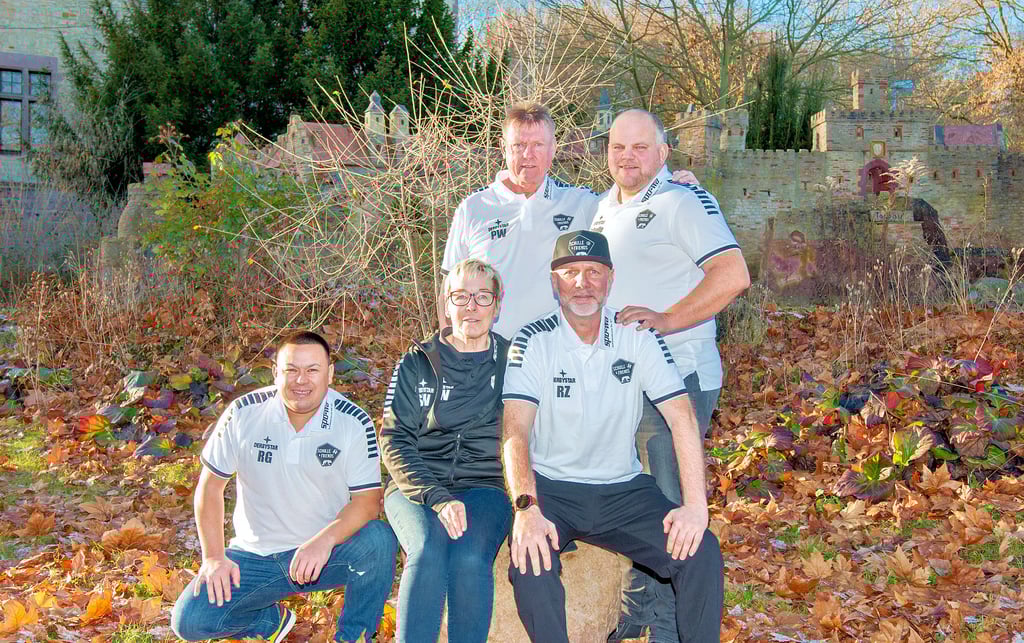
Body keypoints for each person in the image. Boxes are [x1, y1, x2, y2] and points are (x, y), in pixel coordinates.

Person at [501, 231, 724, 642]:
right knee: (530, 561)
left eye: (593, 272)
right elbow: (515, 430)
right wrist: (526, 508)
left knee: (701, 551)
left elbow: (682, 419)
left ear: (610, 279)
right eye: (570, 273)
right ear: (554, 282)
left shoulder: (637, 334)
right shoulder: (533, 340)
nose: (582, 284)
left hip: (623, 490)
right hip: (553, 488)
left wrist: (696, 506)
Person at [593, 109, 749, 642]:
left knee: (671, 503)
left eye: (641, 147)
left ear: (663, 153)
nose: (627, 157)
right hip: (623, 384)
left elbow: (733, 275)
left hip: (679, 376)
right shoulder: (603, 208)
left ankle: (669, 625)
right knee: (637, 500)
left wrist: (665, 320)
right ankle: (642, 606)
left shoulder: (683, 201)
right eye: (618, 146)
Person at [170, 331, 397, 643]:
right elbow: (210, 487)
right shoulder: (243, 413)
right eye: (291, 369)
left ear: (329, 373)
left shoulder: (353, 421)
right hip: (255, 554)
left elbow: (368, 502)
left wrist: (324, 541)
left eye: (312, 370)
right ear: (275, 372)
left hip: (325, 553)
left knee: (379, 540)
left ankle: (354, 636)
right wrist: (213, 558)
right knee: (190, 621)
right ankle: (269, 621)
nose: (301, 380)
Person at [380, 258, 513, 642]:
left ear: (497, 304)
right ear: (446, 303)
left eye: (482, 297)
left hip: (484, 486)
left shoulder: (514, 361)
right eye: (461, 296)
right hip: (417, 487)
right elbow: (394, 439)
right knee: (427, 550)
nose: (471, 306)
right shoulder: (417, 361)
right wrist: (437, 497)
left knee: (470, 558)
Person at [441, 103, 599, 339]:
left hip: (555, 354)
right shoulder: (473, 208)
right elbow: (449, 286)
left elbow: (629, 201)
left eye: (538, 145)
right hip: (488, 355)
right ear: (503, 148)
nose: (528, 154)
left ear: (553, 148)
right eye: (519, 145)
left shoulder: (580, 203)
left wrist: (673, 184)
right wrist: (449, 345)